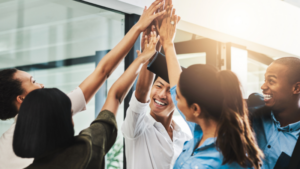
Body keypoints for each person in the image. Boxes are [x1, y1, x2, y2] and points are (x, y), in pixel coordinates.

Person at [0, 1, 165, 168]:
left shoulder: (3, 149)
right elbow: (105, 77)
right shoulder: (82, 149)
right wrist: (141, 48)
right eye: (33, 82)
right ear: (21, 98)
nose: (41, 85)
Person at [155, 6, 263, 169]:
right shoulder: (202, 129)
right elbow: (179, 83)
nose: (174, 97)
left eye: (178, 96)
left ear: (196, 109)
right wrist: (168, 43)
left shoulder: (218, 162)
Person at [121, 28, 191, 169]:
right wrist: (152, 50)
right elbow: (141, 92)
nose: (161, 95)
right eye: (158, 86)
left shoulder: (185, 139)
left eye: (169, 90)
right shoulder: (137, 127)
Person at [250, 57, 300, 169]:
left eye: (271, 81)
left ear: (296, 88)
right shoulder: (251, 117)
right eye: (265, 80)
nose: (263, 87)